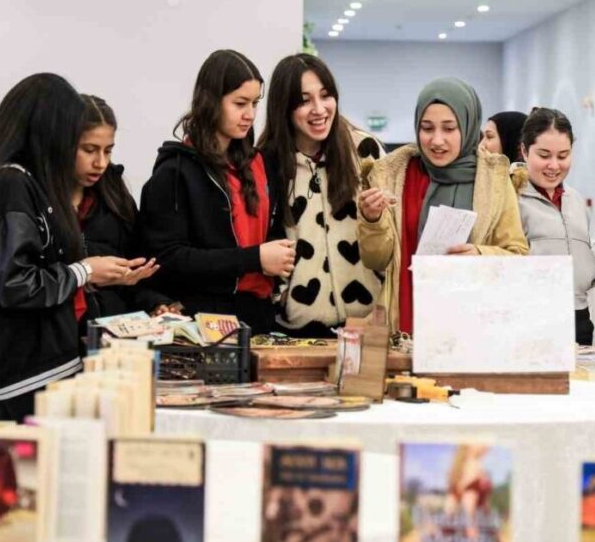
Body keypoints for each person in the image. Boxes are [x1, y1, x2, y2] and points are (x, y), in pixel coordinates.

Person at [0, 73, 147, 422]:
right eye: (81, 143)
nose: (98, 161)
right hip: (25, 371)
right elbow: (16, 283)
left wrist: (89, 275)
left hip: (33, 366)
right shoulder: (9, 183)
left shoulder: (19, 181)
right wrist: (85, 270)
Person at [139, 49, 294, 335]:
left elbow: (270, 232)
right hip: (202, 322)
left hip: (260, 317)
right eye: (240, 103)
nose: (250, 115)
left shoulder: (260, 163)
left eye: (255, 103)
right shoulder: (174, 171)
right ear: (210, 101)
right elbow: (167, 258)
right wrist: (254, 258)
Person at [357, 78, 528, 334]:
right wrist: (372, 220)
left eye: (449, 128)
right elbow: (376, 260)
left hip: (472, 328)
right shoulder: (392, 175)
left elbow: (518, 257)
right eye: (427, 128)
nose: (437, 140)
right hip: (405, 325)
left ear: (468, 127)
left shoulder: (494, 180)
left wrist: (479, 256)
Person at [258, 53, 384, 338]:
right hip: (294, 330)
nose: (319, 109)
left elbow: (391, 235)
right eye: (304, 101)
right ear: (284, 107)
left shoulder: (365, 150)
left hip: (366, 326)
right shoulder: (266, 163)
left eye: (326, 96)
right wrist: (280, 297)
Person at [72, 95, 176, 341]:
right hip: (62, 343)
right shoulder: (38, 201)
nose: (100, 163)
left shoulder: (114, 192)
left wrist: (154, 303)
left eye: (108, 151)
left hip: (116, 341)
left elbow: (135, 272)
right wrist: (86, 272)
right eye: (89, 150)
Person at [513, 107, 595, 345]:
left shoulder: (575, 199)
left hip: (579, 316)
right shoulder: (511, 198)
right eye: (544, 155)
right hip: (531, 318)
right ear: (524, 150)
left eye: (563, 156)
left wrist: (592, 272)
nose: (554, 165)